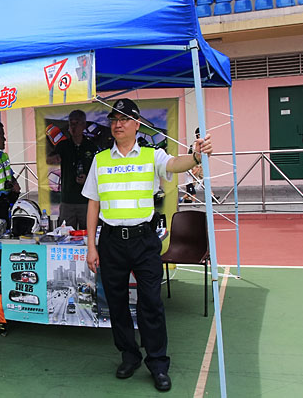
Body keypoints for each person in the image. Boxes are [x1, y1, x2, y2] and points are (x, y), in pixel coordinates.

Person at [82, 98, 213, 392]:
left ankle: (157, 364)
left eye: (124, 119)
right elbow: (93, 204)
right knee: (115, 304)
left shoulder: (153, 156)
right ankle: (129, 356)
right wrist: (92, 245)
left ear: (137, 124)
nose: (118, 124)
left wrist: (195, 155)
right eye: (114, 119)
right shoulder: (100, 160)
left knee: (151, 303)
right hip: (112, 241)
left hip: (144, 240)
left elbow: (177, 164)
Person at [46, 110, 98, 230]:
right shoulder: (63, 145)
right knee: (65, 234)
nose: (73, 127)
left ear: (84, 125)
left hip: (86, 200)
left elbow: (98, 171)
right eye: (71, 124)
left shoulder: (91, 146)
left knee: (89, 233)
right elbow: (49, 159)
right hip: (67, 200)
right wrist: (54, 158)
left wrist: (87, 179)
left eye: (77, 123)